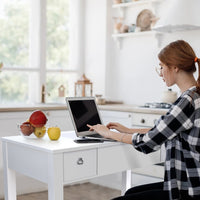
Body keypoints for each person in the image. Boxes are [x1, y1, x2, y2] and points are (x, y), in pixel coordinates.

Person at [87, 40, 200, 200]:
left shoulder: (186, 102)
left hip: (187, 189)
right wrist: (128, 130)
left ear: (175, 67)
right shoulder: (194, 95)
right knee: (130, 193)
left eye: (161, 66)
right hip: (186, 182)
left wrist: (109, 134)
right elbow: (165, 131)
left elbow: (149, 142)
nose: (160, 72)